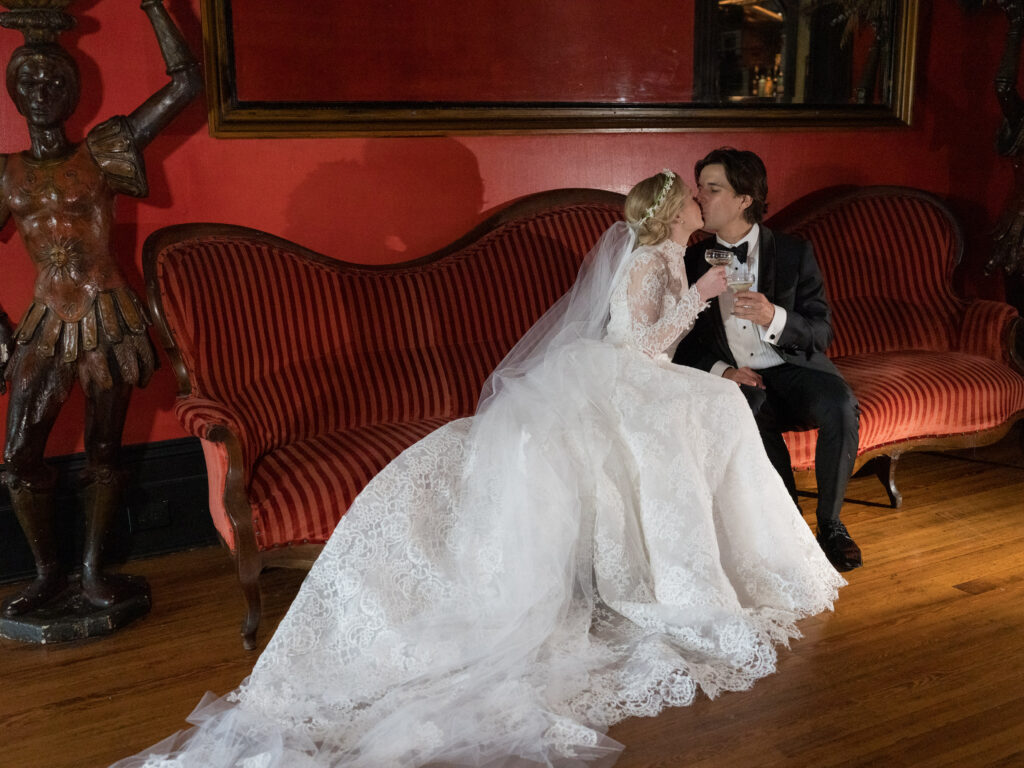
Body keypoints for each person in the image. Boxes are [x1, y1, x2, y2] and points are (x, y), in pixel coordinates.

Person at [115, 170, 844, 768]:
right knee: (707, 412)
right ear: (669, 213)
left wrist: (708, 318)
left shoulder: (679, 256)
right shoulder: (653, 262)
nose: (697, 203)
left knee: (716, 407)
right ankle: (680, 570)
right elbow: (645, 345)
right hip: (624, 375)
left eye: (703, 193)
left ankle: (708, 554)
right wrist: (699, 298)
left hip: (636, 376)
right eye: (690, 196)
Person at [0, 0, 201, 616]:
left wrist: (153, 5)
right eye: (29, 81)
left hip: (106, 316)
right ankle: (46, 574)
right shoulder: (6, 174)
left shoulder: (101, 151)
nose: (41, 92)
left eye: (54, 81)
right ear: (13, 92)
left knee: (105, 451)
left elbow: (186, 83)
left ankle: (91, 573)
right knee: (18, 457)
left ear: (73, 90)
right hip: (44, 319)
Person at [672, 148, 863, 571]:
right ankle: (790, 528)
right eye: (699, 187)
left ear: (744, 199)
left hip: (794, 369)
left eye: (712, 188)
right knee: (750, 407)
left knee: (841, 405)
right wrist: (724, 371)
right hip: (738, 378)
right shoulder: (689, 260)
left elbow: (821, 333)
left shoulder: (794, 252)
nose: (699, 196)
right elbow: (680, 341)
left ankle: (831, 524)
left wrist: (774, 317)